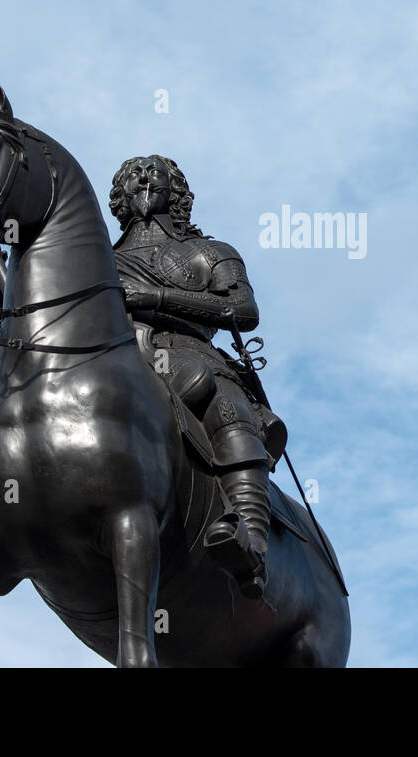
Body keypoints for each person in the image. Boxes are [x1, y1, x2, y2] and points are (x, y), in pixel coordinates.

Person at [109, 155, 274, 597]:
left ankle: (251, 542)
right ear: (119, 194)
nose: (142, 179)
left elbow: (243, 311)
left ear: (175, 190)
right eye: (132, 175)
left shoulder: (213, 253)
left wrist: (156, 295)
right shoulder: (96, 258)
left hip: (189, 352)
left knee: (228, 408)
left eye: (153, 173)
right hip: (116, 357)